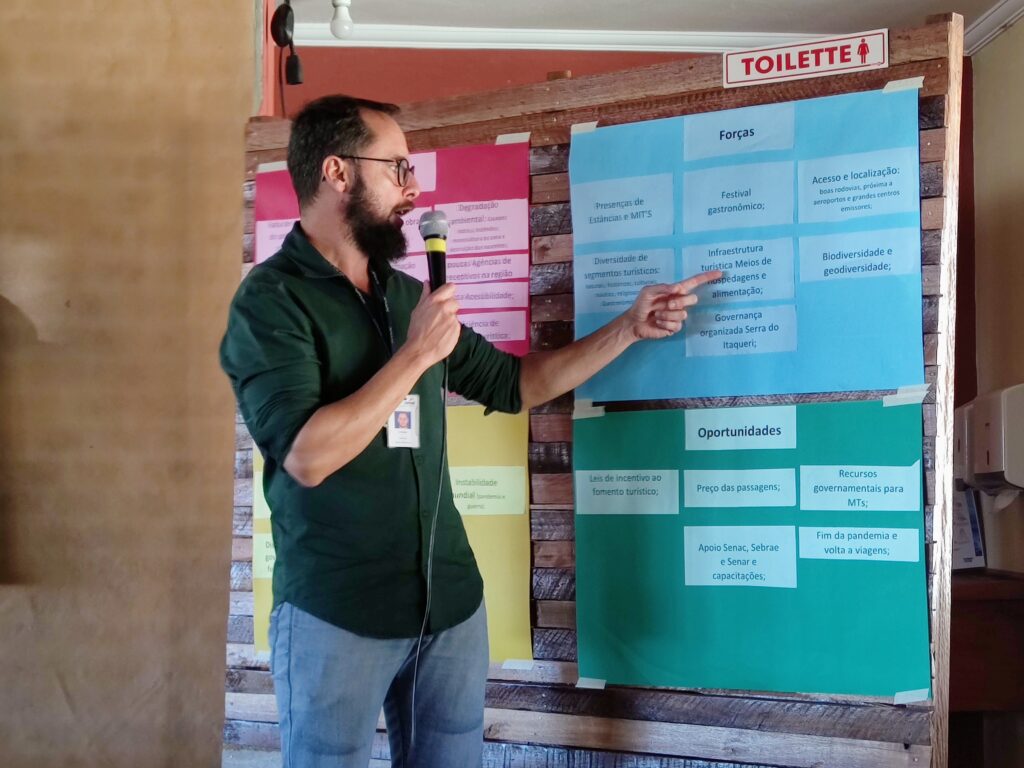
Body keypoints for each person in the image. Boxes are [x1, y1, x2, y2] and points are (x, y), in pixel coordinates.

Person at [220, 94, 721, 768]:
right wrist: (417, 354)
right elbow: (307, 456)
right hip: (336, 615)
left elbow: (518, 385)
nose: (413, 187)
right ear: (337, 172)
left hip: (449, 608)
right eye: (396, 168)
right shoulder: (270, 301)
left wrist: (629, 328)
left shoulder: (404, 297)